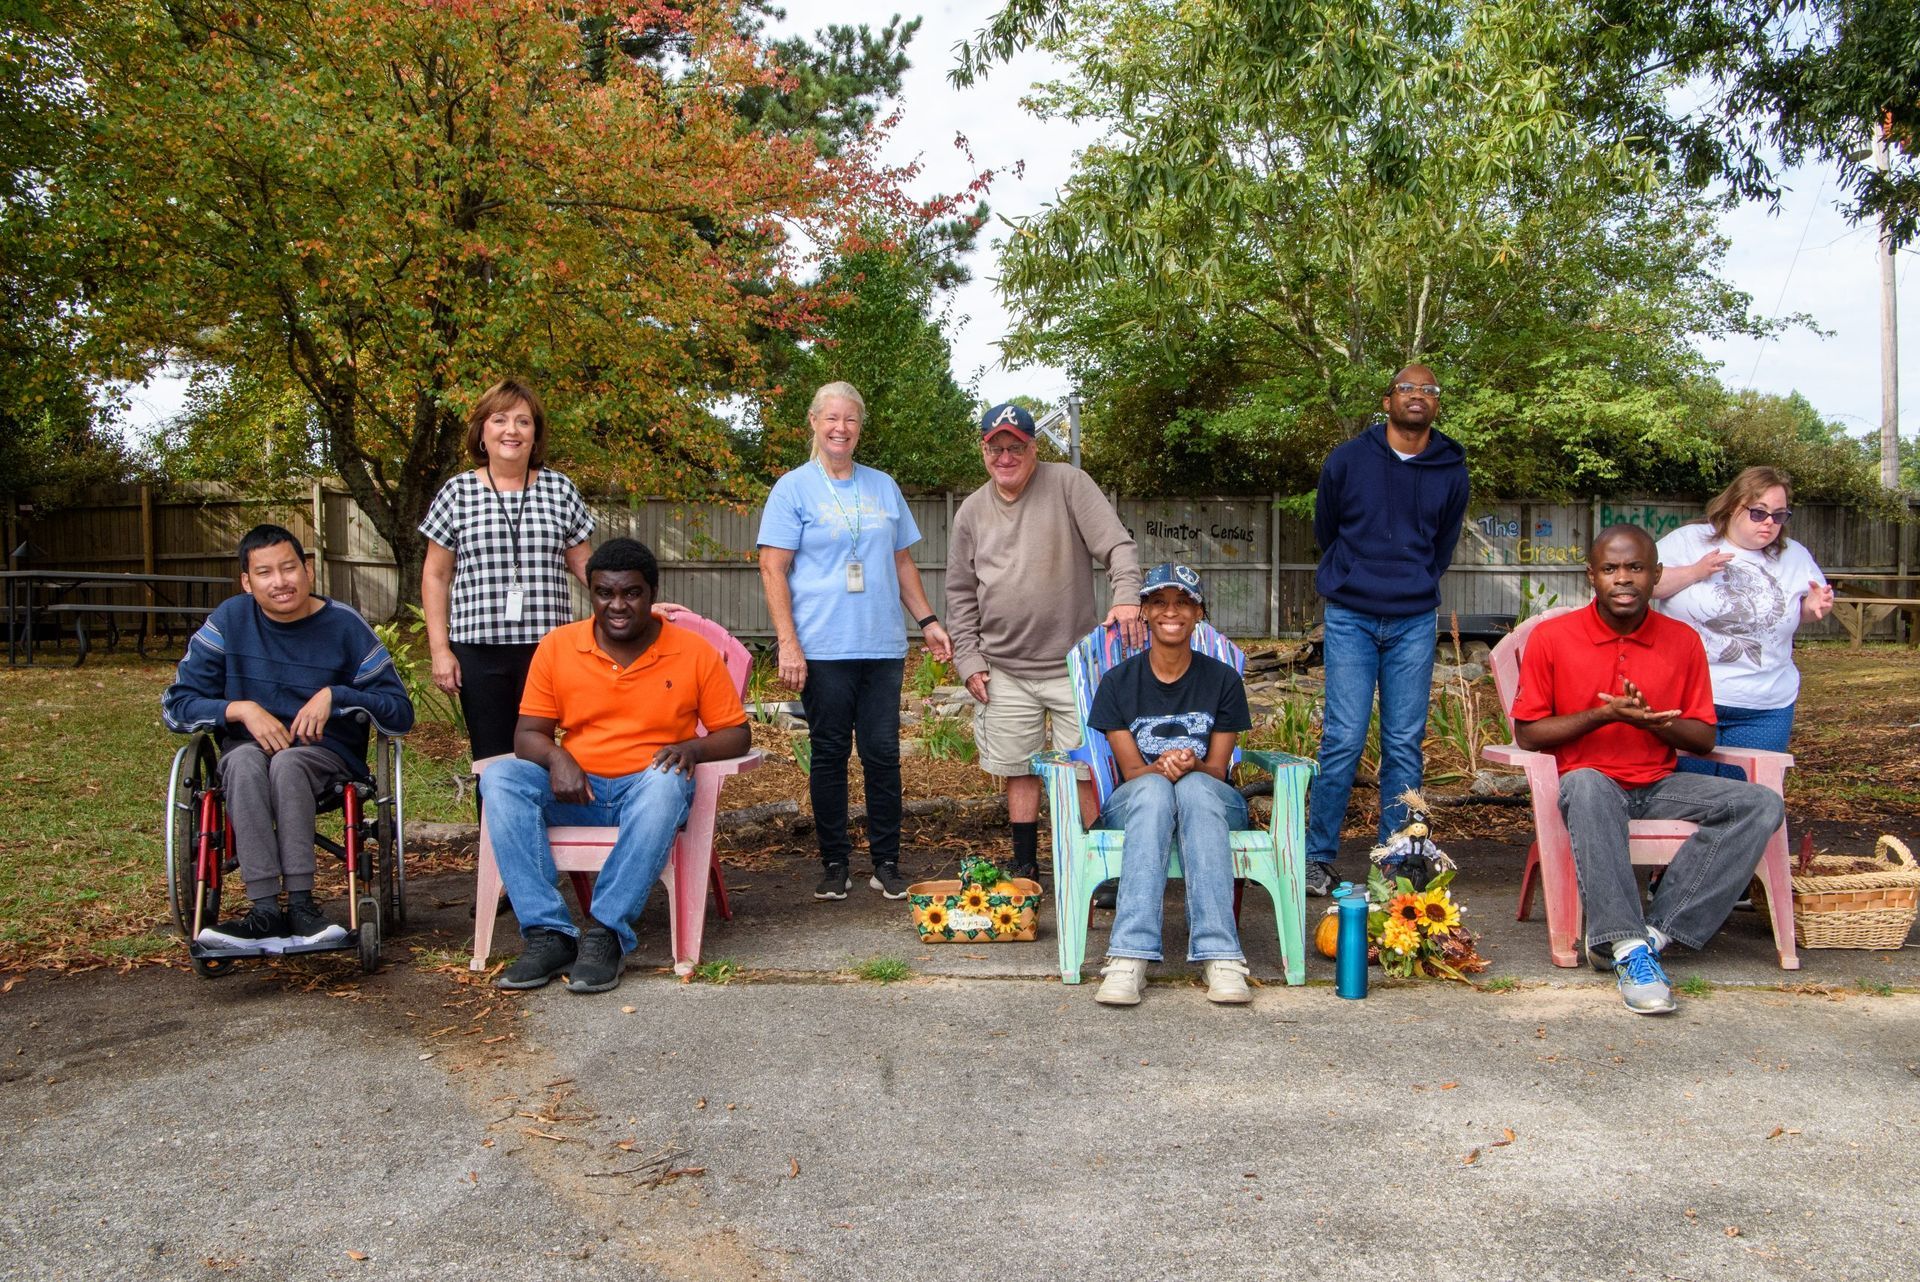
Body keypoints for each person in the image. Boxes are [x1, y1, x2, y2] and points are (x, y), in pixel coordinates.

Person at [1511, 526, 1786, 1015]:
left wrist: (1658, 720)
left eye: (1635, 568)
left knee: (1760, 803)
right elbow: (1529, 734)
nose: (1623, 579)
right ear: (1591, 575)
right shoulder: (1553, 638)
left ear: (1656, 575)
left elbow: (1703, 739)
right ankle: (1628, 944)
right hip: (1588, 785)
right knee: (1589, 784)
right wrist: (1604, 715)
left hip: (1659, 783)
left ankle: (1643, 941)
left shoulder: (1681, 641)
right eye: (1611, 569)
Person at [481, 538, 750, 995]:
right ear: (591, 593)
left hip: (647, 792)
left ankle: (607, 933)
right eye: (605, 593)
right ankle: (549, 935)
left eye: (631, 593)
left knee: (667, 783)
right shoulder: (559, 647)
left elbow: (737, 733)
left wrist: (693, 748)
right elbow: (527, 734)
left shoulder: (693, 652)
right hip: (576, 789)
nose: (618, 605)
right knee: (501, 777)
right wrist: (556, 756)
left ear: (652, 593)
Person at [163, 524, 416, 950]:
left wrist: (335, 696)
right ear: (247, 581)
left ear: (308, 570)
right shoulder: (229, 621)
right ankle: (263, 910)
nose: (280, 582)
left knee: (288, 762)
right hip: (248, 751)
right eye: (264, 573)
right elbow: (177, 704)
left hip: (325, 755)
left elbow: (399, 711)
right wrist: (239, 708)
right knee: (243, 762)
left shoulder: (344, 626)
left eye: (288, 568)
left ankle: (301, 906)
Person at [757, 383, 952, 902]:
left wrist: (928, 619)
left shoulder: (883, 486)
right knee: (829, 753)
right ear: (814, 423)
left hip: (882, 645)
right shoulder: (793, 488)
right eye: (831, 419)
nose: (840, 428)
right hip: (821, 647)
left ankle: (886, 862)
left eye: (851, 420)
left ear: (860, 428)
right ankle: (834, 863)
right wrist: (788, 643)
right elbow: (772, 568)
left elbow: (901, 561)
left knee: (883, 754)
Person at [946, 401, 1145, 882]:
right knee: (1019, 768)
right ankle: (1025, 868)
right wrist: (969, 658)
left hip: (1074, 664)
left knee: (1087, 770)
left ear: (1034, 448)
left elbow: (1118, 546)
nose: (1006, 456)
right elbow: (959, 592)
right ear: (984, 450)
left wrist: (1127, 598)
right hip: (1004, 669)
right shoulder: (971, 511)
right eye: (997, 447)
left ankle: (1101, 871)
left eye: (1017, 446)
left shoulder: (1069, 485)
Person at [1304, 365, 1469, 897]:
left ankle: (1398, 857)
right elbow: (1326, 529)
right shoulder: (1348, 460)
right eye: (1407, 388)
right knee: (1343, 739)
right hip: (1350, 613)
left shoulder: (1451, 467)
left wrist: (1413, 580)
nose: (1417, 396)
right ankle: (1317, 857)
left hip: (1413, 619)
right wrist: (1355, 575)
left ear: (1436, 404)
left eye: (1428, 390)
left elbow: (1442, 545)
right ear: (1387, 400)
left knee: (1404, 741)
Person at [1087, 564, 1255, 1007]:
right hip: (1141, 798)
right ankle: (1129, 957)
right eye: (1159, 602)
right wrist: (1161, 767)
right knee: (1158, 789)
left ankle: (1220, 956)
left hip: (1210, 798)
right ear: (1143, 611)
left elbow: (1218, 771)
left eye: (1183, 602)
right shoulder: (1118, 683)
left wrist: (1194, 763)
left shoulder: (1222, 680)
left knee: (1196, 788)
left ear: (1199, 613)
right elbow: (1130, 773)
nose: (1171, 612)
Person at [420, 378, 595, 764]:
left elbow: (585, 565)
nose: (511, 430)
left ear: (536, 434)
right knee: (492, 759)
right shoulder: (456, 492)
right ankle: (493, 827)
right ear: (482, 431)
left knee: (544, 755)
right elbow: (435, 575)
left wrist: (626, 604)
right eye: (500, 420)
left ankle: (544, 826)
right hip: (478, 650)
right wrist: (439, 650)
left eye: (523, 421)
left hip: (547, 649)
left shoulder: (560, 490)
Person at [1654, 466, 1832, 777]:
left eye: (1779, 516)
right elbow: (1645, 586)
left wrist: (1813, 607)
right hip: (1687, 701)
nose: (1768, 523)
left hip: (1763, 705)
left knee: (1747, 800)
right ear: (1734, 505)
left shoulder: (1794, 556)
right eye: (1759, 512)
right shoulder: (1689, 541)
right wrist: (1695, 572)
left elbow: (1798, 610)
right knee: (1687, 797)